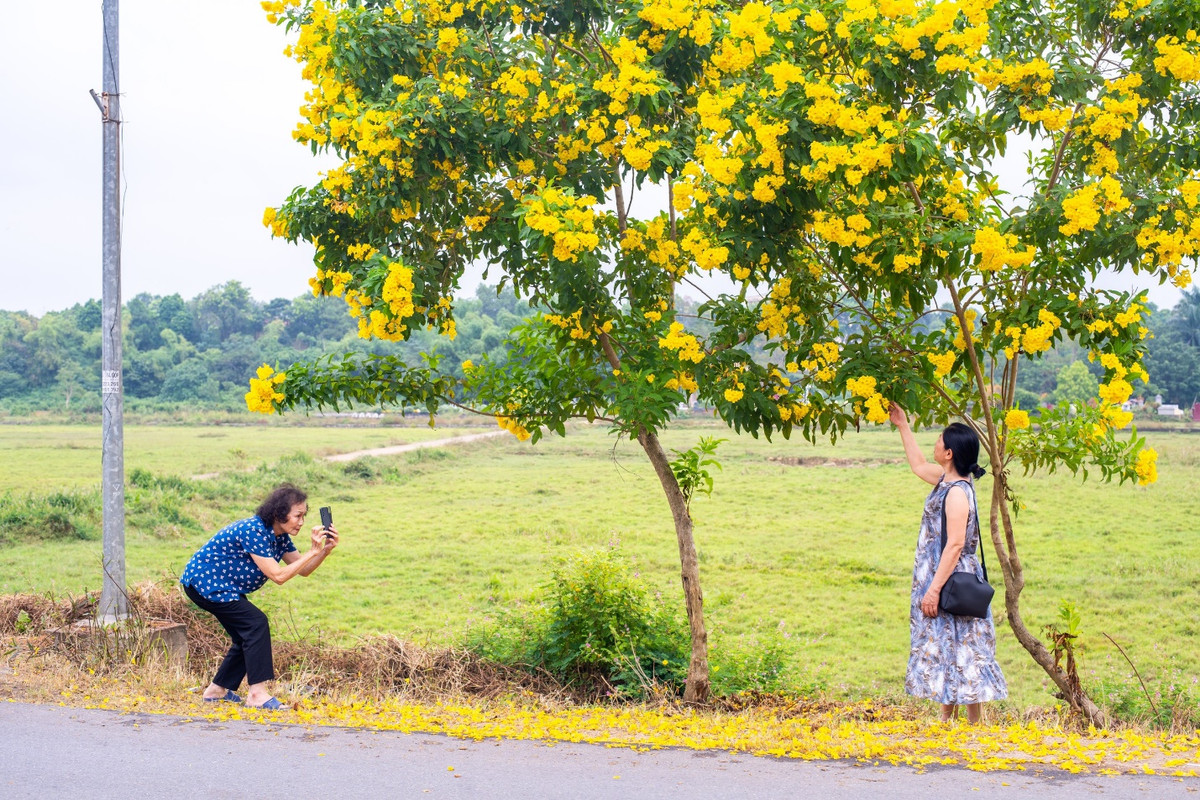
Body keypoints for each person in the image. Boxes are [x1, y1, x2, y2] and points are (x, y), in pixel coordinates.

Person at [890, 404, 1007, 723]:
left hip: (950, 578)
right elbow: (918, 465)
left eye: (939, 441)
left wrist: (933, 590)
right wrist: (902, 425)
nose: (935, 444)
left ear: (949, 453)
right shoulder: (948, 481)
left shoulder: (956, 493)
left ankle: (967, 722)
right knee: (954, 646)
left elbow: (955, 544)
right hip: (945, 576)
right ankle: (954, 721)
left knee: (962, 648)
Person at [180, 484, 338, 710]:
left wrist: (325, 550)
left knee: (246, 634)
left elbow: (302, 569)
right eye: (297, 516)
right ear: (278, 513)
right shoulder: (253, 531)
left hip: (223, 587)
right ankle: (257, 694)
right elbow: (278, 576)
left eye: (304, 516)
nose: (302, 522)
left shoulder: (280, 536)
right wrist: (312, 551)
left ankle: (216, 691)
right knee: (256, 623)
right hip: (205, 583)